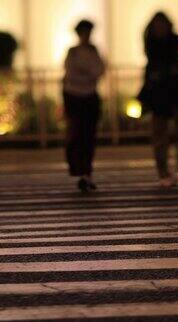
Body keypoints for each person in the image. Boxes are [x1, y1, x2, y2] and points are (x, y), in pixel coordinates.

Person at [138, 12, 178, 187]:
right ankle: (164, 172)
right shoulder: (151, 40)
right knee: (159, 131)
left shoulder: (173, 39)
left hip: (174, 86)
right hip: (158, 87)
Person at [62, 20, 105, 193]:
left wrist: (84, 72)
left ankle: (86, 172)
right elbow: (72, 72)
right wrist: (87, 73)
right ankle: (80, 170)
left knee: (88, 134)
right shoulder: (72, 52)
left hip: (89, 96)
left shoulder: (94, 51)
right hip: (74, 96)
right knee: (77, 133)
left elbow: (99, 71)